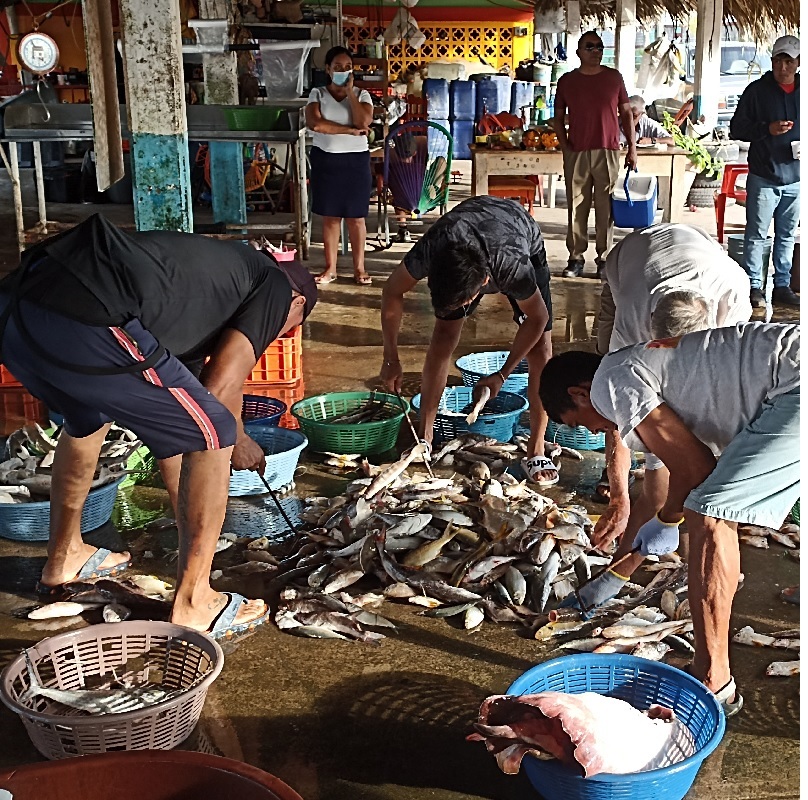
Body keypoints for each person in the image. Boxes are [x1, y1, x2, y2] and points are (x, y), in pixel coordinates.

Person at [0, 215, 317, 640]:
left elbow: (178, 436)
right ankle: (195, 602)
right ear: (296, 303)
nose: (273, 337)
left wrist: (192, 523)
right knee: (219, 429)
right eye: (286, 330)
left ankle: (64, 558)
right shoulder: (276, 287)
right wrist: (239, 440)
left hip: (17, 311)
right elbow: (221, 390)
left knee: (86, 421)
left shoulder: (198, 300)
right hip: (88, 306)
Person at [539, 322, 800, 716]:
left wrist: (668, 520)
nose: (593, 432)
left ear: (579, 393)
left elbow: (698, 471)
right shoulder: (652, 375)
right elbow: (686, 466)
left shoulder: (612, 381)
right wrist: (664, 521)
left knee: (710, 512)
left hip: (795, 383)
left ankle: (713, 677)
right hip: (792, 367)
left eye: (579, 422)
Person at [585, 223, 752, 601]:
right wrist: (620, 497)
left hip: (701, 256)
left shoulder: (733, 293)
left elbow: (729, 378)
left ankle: (660, 503)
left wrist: (678, 489)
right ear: (653, 336)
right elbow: (623, 396)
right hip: (630, 260)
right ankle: (626, 484)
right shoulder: (631, 317)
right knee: (607, 370)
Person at [380, 195, 559, 485]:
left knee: (541, 348)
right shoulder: (434, 246)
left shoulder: (512, 265)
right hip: (465, 228)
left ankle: (536, 448)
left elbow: (536, 319)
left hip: (518, 231)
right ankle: (425, 437)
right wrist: (391, 358)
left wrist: (502, 374)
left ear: (484, 285)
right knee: (443, 335)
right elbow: (391, 291)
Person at [553, 31, 637, 279]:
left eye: (600, 47)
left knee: (605, 207)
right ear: (579, 52)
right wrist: (564, 145)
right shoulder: (567, 81)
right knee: (576, 206)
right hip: (576, 151)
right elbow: (557, 117)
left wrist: (632, 147)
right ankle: (576, 257)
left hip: (608, 150)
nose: (596, 51)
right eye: (590, 47)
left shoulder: (613, 78)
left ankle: (604, 259)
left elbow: (626, 114)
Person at [730, 35, 800, 308]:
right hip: (763, 175)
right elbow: (737, 129)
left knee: (787, 234)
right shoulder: (756, 91)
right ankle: (754, 286)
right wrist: (766, 129)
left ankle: (782, 285)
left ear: (798, 62)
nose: (783, 67)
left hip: (796, 175)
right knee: (757, 234)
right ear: (771, 62)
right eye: (778, 61)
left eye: (789, 61)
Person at [305, 46, 374, 286]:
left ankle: (359, 268)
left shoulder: (362, 95)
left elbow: (363, 121)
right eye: (337, 67)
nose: (342, 71)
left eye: (347, 68)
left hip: (356, 161)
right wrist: (349, 131)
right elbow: (316, 124)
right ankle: (330, 269)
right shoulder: (317, 94)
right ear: (327, 69)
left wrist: (350, 93)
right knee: (331, 218)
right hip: (326, 159)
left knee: (356, 218)